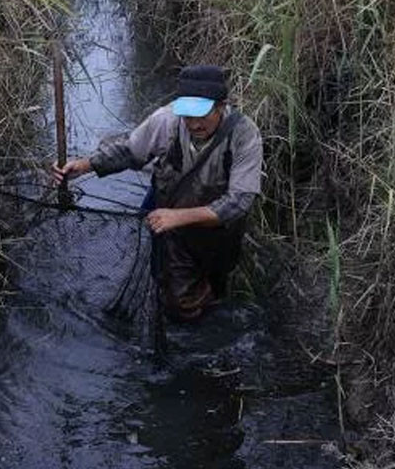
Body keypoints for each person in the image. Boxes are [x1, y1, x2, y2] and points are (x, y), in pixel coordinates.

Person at [51, 65, 263, 322]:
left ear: (220, 106)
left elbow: (239, 202)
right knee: (179, 305)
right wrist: (85, 166)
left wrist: (179, 217)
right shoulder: (167, 120)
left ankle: (209, 294)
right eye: (188, 115)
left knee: (219, 282)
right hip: (171, 226)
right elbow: (130, 151)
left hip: (219, 230)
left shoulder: (244, 134)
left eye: (202, 115)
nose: (194, 124)